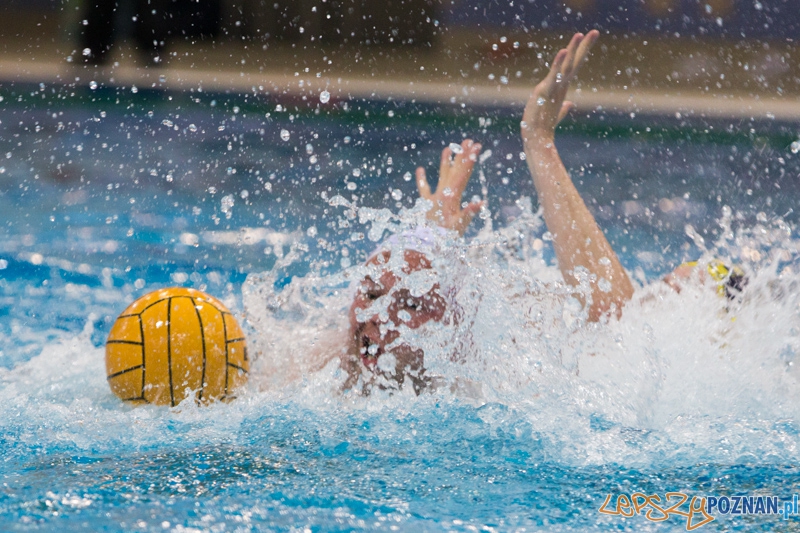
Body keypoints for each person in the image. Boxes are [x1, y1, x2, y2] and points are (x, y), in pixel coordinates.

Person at [336, 30, 636, 392]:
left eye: (413, 305)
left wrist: (539, 142)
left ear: (453, 326)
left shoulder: (495, 382)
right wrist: (431, 234)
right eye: (369, 294)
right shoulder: (325, 363)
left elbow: (617, 324)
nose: (377, 317)